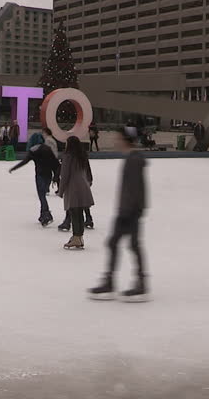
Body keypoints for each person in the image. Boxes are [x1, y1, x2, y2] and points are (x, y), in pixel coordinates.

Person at [89, 126, 149, 301]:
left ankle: (136, 282)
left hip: (129, 211)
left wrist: (128, 211)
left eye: (118, 138)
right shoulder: (133, 158)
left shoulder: (134, 160)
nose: (116, 141)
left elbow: (135, 190)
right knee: (122, 244)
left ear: (126, 140)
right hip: (129, 209)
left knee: (127, 244)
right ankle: (121, 281)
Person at [10, 133, 59, 226]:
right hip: (48, 175)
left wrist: (14, 168)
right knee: (43, 195)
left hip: (40, 175)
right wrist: (56, 176)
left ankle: (46, 214)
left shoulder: (34, 151)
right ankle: (42, 215)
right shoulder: (47, 149)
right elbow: (56, 164)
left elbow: (25, 161)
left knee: (42, 196)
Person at [58, 136, 94, 250]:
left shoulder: (68, 156)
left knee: (74, 212)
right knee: (80, 213)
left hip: (73, 187)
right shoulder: (82, 155)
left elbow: (64, 175)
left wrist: (61, 190)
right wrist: (89, 181)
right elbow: (88, 171)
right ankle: (79, 237)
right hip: (83, 186)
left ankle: (76, 238)